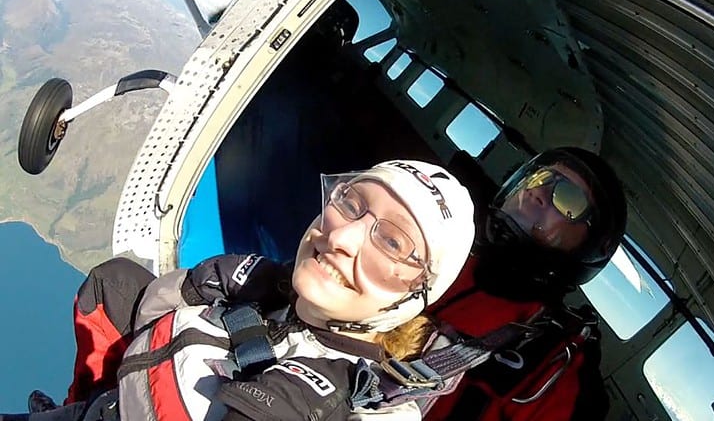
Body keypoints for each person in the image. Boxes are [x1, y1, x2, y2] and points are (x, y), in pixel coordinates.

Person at [1, 159, 475, 421]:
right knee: (116, 284)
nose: (341, 237)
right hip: (96, 410)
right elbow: (144, 314)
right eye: (351, 202)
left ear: (416, 294)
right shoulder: (256, 289)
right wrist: (193, 287)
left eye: (392, 243)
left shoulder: (366, 409)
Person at [423, 147, 627, 421]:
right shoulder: (440, 247)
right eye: (540, 178)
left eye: (567, 197)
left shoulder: (552, 359)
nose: (537, 192)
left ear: (589, 246)